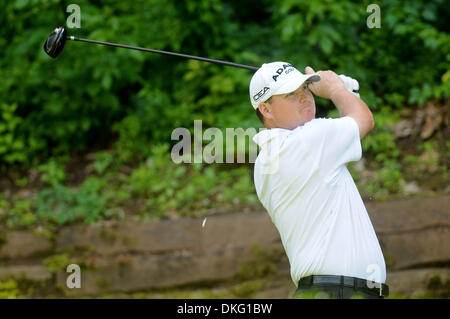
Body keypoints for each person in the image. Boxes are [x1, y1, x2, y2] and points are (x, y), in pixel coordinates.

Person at [249, 62, 389, 299]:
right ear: (266, 109)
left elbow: (340, 151)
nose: (304, 98)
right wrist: (336, 89)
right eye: (291, 94)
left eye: (305, 89)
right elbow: (363, 120)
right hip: (337, 292)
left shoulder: (269, 158)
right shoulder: (305, 142)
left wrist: (346, 92)